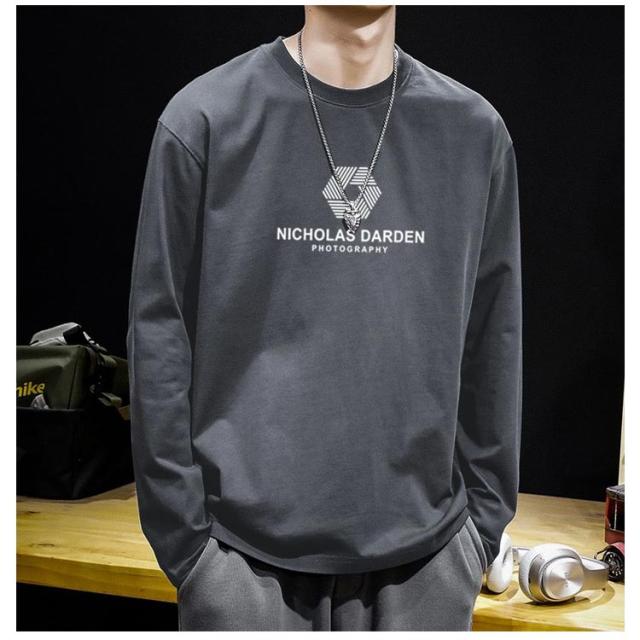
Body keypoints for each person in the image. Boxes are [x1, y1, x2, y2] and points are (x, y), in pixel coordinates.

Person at [126, 4, 522, 631]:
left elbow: (494, 337)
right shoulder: (206, 118)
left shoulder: (473, 133)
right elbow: (158, 334)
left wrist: (481, 529)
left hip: (427, 567)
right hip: (240, 565)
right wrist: (188, 545)